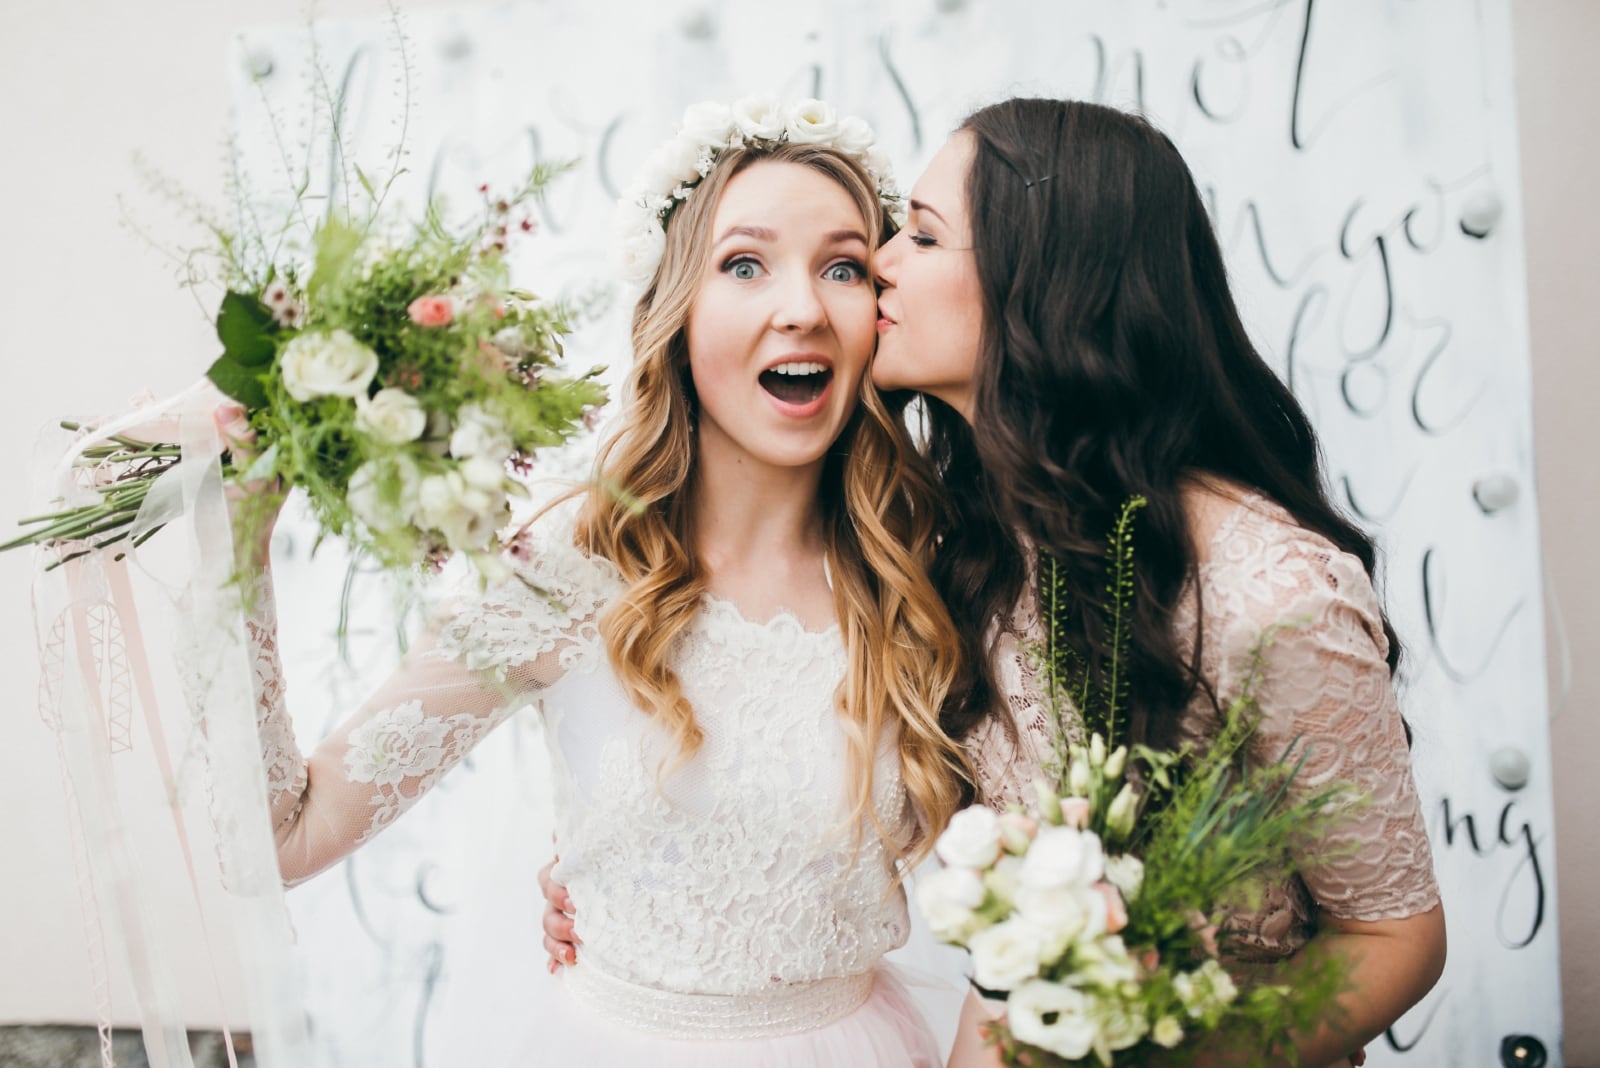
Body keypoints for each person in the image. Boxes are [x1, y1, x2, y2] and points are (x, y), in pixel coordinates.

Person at [542, 98, 1446, 1068]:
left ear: (1045, 286)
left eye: (921, 237)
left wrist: (1140, 1054)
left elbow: (1398, 941)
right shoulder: (959, 548)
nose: (880, 262)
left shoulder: (1267, 592)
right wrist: (634, 864)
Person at [240, 99, 968, 1065]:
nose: (800, 307)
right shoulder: (563, 579)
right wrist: (243, 552)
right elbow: (289, 837)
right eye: (744, 264)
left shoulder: (930, 573)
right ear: (677, 312)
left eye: (842, 266)